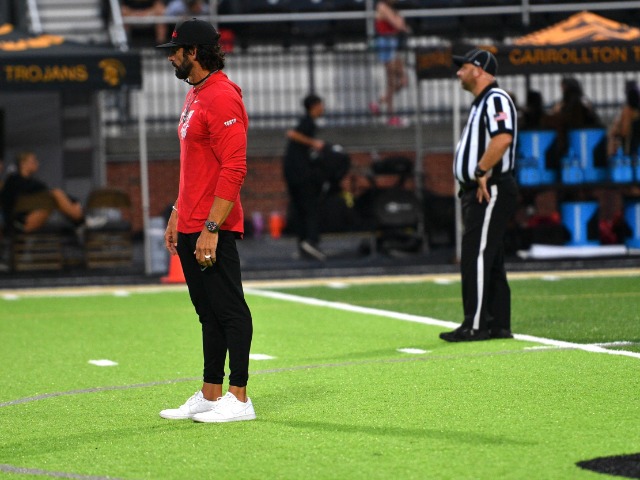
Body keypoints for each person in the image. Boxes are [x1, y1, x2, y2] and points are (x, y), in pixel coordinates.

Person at [156, 18, 256, 423]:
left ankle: (240, 397)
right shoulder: (196, 93)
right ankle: (211, 392)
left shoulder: (222, 97)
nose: (170, 58)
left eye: (175, 51)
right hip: (191, 221)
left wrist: (211, 228)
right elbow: (195, 165)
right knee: (208, 313)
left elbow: (234, 168)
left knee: (230, 309)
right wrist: (177, 213)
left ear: (194, 52)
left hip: (214, 226)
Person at [439, 48, 518, 342]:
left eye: (464, 67)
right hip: (481, 188)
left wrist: (482, 169)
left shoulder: (495, 98)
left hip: (489, 188)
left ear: (480, 69)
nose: (458, 73)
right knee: (490, 256)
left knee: (477, 255)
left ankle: (475, 325)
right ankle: (497, 323)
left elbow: (503, 137)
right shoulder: (482, 102)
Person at [283, 93, 327, 262]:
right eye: (321, 105)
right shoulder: (307, 123)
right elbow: (292, 134)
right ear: (314, 106)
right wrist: (315, 143)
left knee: (300, 208)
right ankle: (311, 241)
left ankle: (303, 244)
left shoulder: (306, 123)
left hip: (292, 173)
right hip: (300, 174)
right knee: (310, 207)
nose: (323, 108)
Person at [0, 151, 84, 234]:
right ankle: (81, 221)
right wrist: (73, 201)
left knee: (56, 195)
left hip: (32, 215)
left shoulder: (35, 183)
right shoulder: (13, 181)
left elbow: (49, 194)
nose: (37, 163)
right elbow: (8, 204)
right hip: (18, 223)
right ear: (23, 163)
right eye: (33, 161)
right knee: (56, 194)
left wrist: (73, 201)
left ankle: (79, 221)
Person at [369, 0, 411, 127]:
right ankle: (391, 115)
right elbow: (398, 25)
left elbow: (400, 25)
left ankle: (379, 102)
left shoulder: (391, 9)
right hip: (386, 45)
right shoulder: (382, 6)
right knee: (391, 81)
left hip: (392, 44)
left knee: (403, 80)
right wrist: (401, 24)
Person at [607, 80, 640, 157]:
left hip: (629, 145)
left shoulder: (627, 111)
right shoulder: (632, 110)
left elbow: (623, 130)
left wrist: (615, 132)